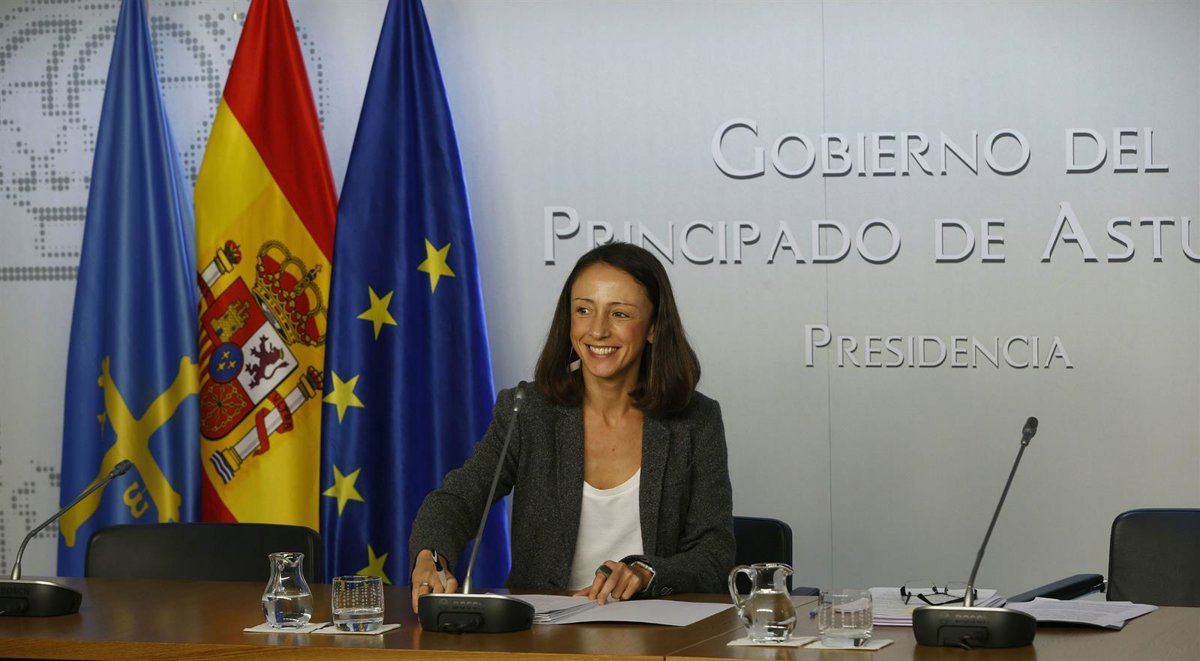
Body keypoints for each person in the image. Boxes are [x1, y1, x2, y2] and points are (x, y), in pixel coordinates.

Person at [408, 242, 734, 612]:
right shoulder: (528, 411)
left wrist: (647, 573)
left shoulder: (695, 420)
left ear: (654, 327)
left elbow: (714, 551)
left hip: (654, 629)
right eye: (583, 310)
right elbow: (456, 501)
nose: (598, 330)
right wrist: (430, 557)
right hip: (543, 631)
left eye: (620, 314)